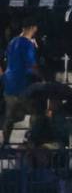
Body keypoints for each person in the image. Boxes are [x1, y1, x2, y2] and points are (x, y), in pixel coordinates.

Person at [2, 18, 40, 147]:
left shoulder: (12, 42)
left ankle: (5, 143)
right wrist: (41, 77)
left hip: (9, 84)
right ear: (33, 28)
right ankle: (30, 140)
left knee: (9, 116)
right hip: (22, 85)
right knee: (36, 114)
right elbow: (32, 65)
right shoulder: (28, 44)